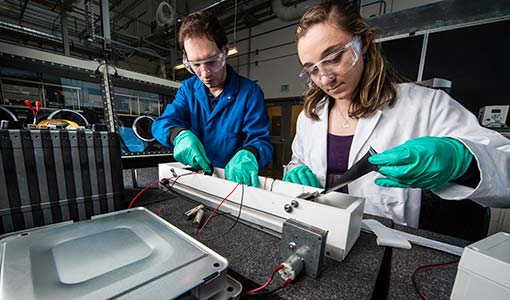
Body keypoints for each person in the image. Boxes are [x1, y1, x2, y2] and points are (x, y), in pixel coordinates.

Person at [284, 1, 510, 227]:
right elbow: (298, 161)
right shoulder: (310, 117)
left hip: (384, 243)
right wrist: (295, 173)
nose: (324, 79)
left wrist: (462, 161)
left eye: (333, 58)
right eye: (312, 70)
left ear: (363, 42)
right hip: (321, 229)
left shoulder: (425, 106)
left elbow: (504, 167)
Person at [152, 11, 272, 187]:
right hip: (197, 180)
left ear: (225, 50)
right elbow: (162, 123)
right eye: (195, 64)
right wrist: (177, 135)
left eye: (211, 61)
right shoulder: (188, 89)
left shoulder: (250, 93)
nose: (205, 73)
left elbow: (261, 141)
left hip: (233, 183)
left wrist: (250, 152)